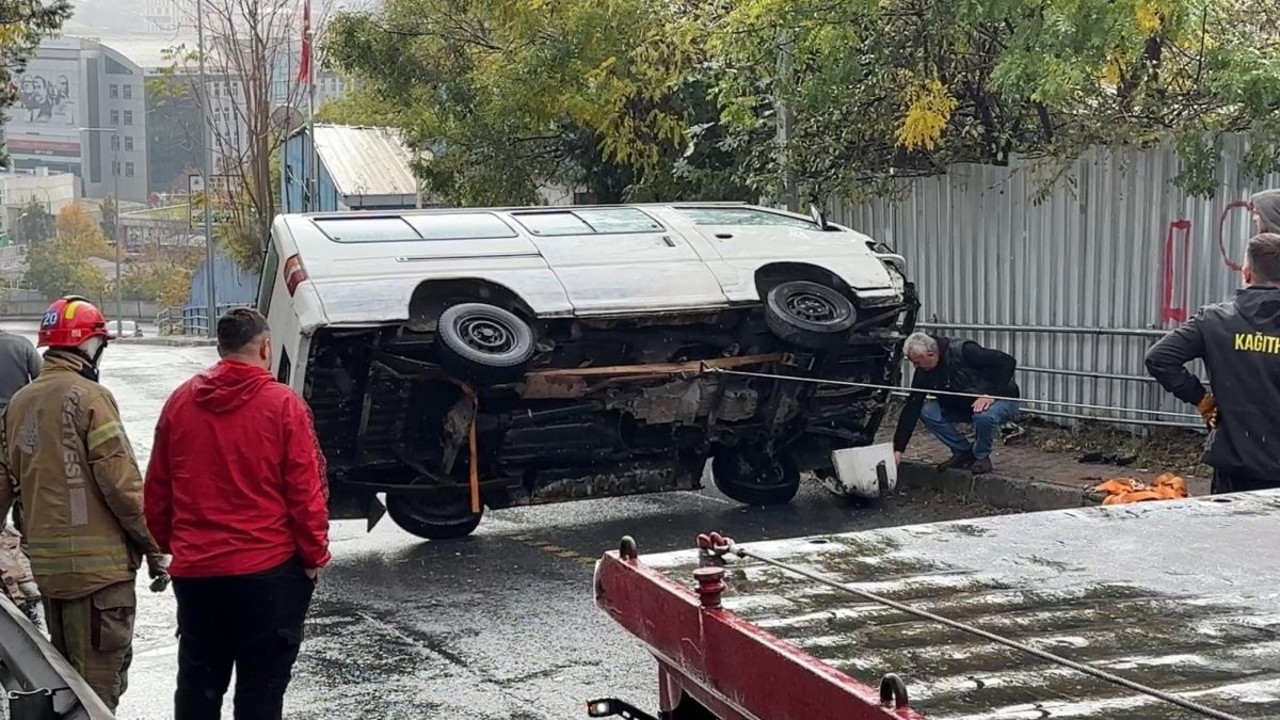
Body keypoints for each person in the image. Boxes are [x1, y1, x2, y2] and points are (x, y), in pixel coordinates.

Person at [145, 307, 330, 720]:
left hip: (198, 576)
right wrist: (314, 556)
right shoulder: (283, 405)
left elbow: (158, 488)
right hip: (266, 573)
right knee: (260, 691)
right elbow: (305, 492)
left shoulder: (180, 402)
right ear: (266, 347)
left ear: (220, 348)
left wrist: (165, 546)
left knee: (197, 688)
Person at [0, 296, 167, 712]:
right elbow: (122, 486)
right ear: (90, 346)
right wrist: (155, 548)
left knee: (67, 689)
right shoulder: (91, 397)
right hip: (100, 579)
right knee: (97, 696)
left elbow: (2, 488)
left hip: (50, 575)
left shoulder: (18, 405)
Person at [1146, 232, 1280, 494]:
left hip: (1234, 467)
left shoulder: (1214, 320)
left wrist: (1201, 399)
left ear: (1246, 272)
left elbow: (1159, 358)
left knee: (1229, 535)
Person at [892, 332, 1021, 474]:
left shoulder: (965, 351)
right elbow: (912, 407)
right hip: (964, 405)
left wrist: (991, 394)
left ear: (931, 354)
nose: (915, 367)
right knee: (926, 411)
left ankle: (981, 456)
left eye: (917, 362)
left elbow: (1007, 362)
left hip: (1002, 398)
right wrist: (898, 449)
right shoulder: (923, 373)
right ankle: (963, 452)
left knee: (983, 415)